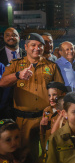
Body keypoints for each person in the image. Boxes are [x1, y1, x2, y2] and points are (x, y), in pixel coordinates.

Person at [0, 33, 64, 162]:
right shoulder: (16, 64)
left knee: (49, 153)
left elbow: (61, 91)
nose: (37, 48)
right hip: (23, 120)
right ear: (26, 47)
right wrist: (18, 75)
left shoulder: (51, 66)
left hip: (46, 119)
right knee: (23, 155)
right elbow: (2, 82)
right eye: (33, 45)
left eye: (40, 45)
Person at [0, 28, 26, 119]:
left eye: (14, 35)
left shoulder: (27, 55)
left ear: (19, 37)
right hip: (4, 103)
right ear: (3, 38)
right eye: (7, 35)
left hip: (24, 101)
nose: (11, 37)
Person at [40, 82, 67, 154]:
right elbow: (43, 133)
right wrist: (41, 125)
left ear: (63, 94)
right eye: (49, 95)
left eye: (54, 95)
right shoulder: (46, 110)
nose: (51, 98)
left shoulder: (66, 111)